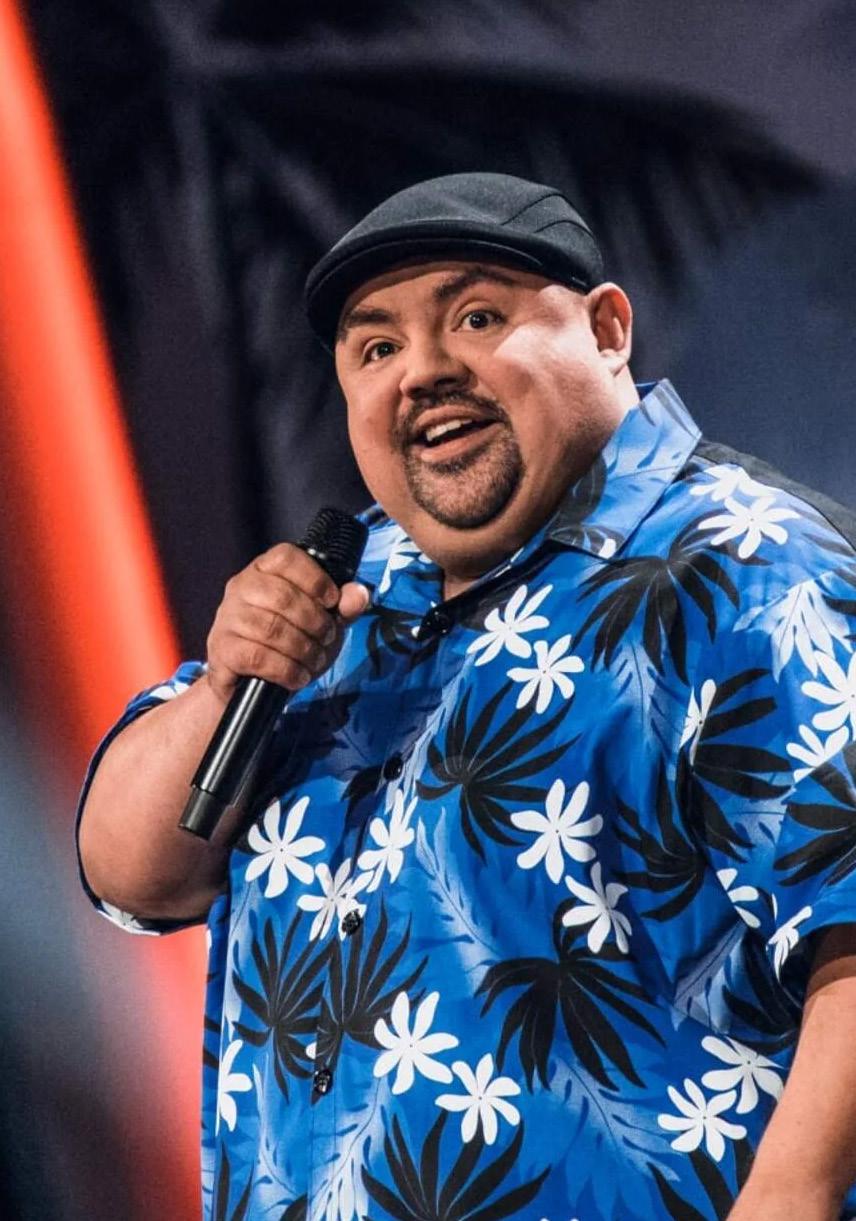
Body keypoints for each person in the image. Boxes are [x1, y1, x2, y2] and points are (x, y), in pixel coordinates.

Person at [78, 172, 856, 1221]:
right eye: (375, 349)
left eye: (477, 318)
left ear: (607, 330)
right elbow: (130, 876)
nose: (423, 372)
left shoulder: (742, 565)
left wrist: (794, 1198)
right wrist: (225, 686)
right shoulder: (340, 600)